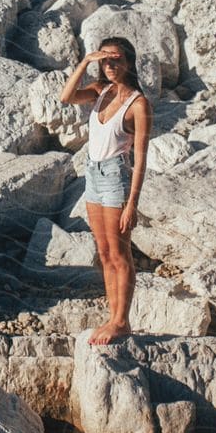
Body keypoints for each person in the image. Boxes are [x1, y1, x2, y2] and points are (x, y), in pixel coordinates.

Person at [58, 37, 153, 345]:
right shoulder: (102, 90)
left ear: (129, 62)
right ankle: (113, 316)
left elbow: (140, 158)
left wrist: (132, 204)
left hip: (115, 177)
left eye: (116, 59)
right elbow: (66, 96)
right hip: (93, 175)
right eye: (106, 60)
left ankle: (122, 322)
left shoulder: (138, 104)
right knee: (104, 253)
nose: (111, 66)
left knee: (120, 251)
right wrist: (86, 62)